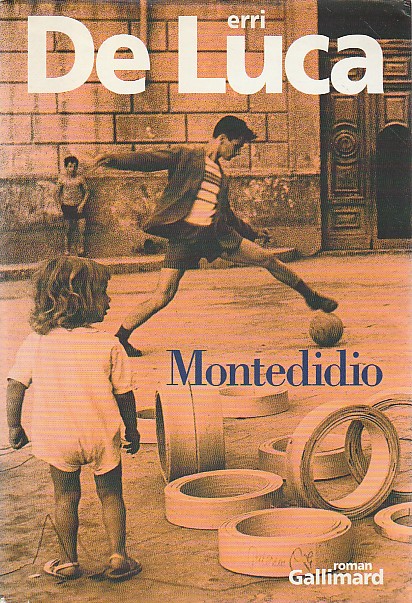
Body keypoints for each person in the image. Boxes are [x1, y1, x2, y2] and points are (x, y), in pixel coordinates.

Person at [96, 115, 338, 357]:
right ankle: (121, 338)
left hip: (216, 237)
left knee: (267, 259)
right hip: (184, 238)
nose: (239, 152)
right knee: (163, 295)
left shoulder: (221, 176)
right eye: (237, 145)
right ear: (222, 138)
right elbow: (149, 159)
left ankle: (312, 297)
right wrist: (114, 160)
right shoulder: (186, 156)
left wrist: (253, 233)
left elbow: (227, 215)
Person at [7, 256, 141, 581]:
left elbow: (15, 385)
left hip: (58, 436)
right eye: (103, 292)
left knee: (65, 497)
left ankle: (68, 561)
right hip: (100, 434)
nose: (109, 301)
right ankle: (118, 556)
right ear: (80, 299)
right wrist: (133, 429)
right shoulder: (109, 344)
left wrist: (14, 425)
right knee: (111, 494)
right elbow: (125, 394)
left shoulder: (36, 342)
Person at [56, 156, 90, 256]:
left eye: (75, 166)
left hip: (78, 207)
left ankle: (81, 249)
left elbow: (87, 192)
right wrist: (59, 208)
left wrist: (82, 204)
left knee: (82, 230)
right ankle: (67, 250)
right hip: (67, 206)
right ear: (66, 167)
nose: (72, 169)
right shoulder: (62, 179)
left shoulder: (80, 178)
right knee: (67, 231)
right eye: (70, 166)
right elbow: (56, 193)